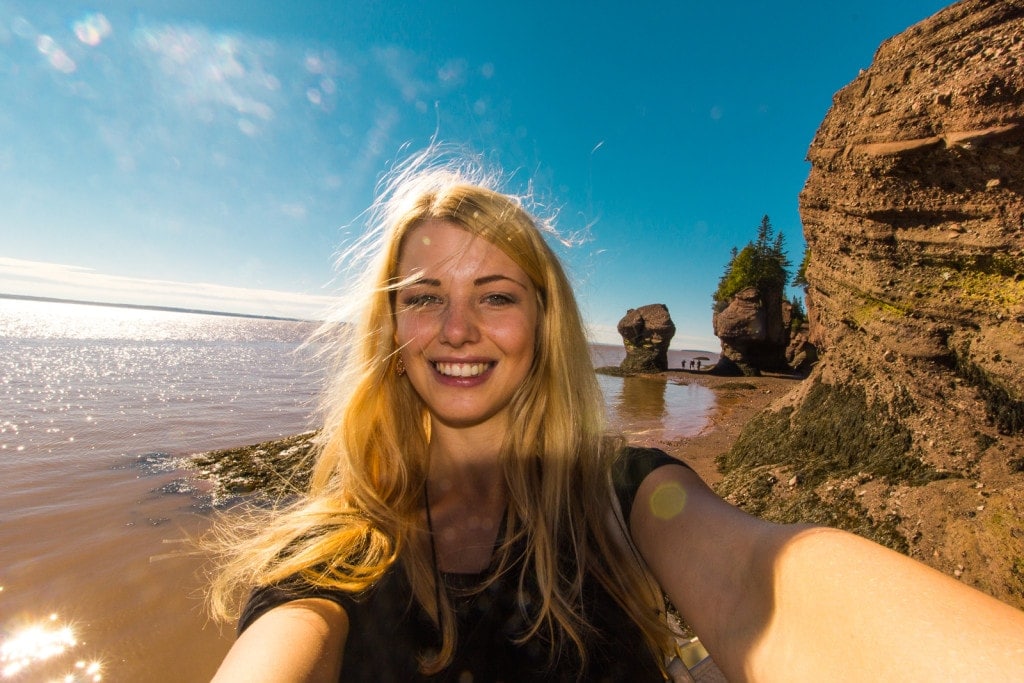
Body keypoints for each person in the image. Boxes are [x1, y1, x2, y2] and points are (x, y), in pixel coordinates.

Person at [209, 151, 1024, 682]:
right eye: (425, 298)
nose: (457, 330)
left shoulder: (623, 495)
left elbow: (756, 583)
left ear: (545, 324)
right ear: (391, 328)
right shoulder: (332, 557)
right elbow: (281, 652)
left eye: (495, 296)